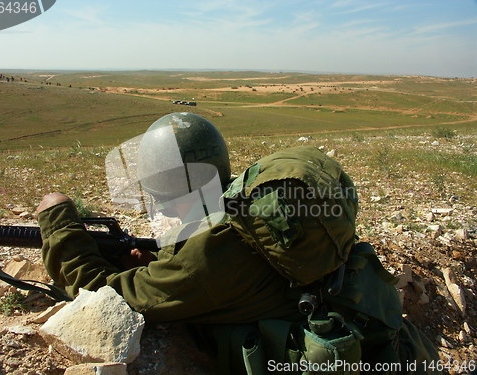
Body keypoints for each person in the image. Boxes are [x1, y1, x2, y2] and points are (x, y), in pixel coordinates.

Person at [33, 113, 441, 374]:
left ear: (165, 186)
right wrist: (154, 256)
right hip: (386, 340)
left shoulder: (204, 258)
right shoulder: (250, 208)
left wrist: (57, 216)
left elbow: (104, 295)